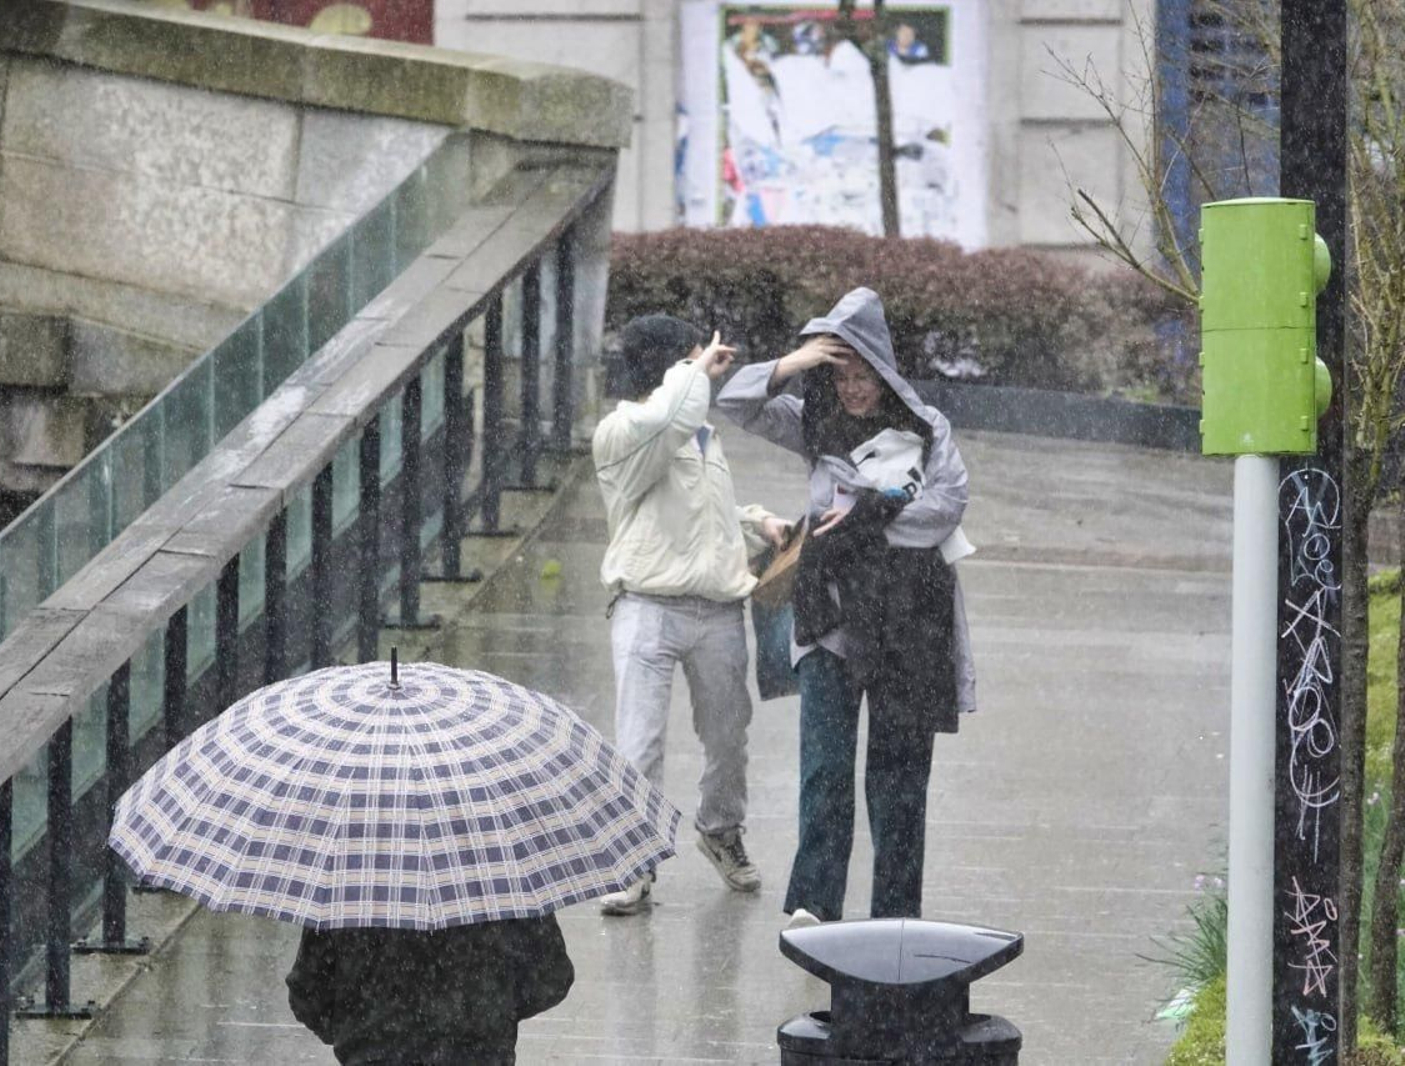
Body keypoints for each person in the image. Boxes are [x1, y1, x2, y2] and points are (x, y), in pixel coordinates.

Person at [716, 287, 976, 928]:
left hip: (912, 619)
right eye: (842, 376)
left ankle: (896, 914)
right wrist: (797, 364)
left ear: (885, 374)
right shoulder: (813, 418)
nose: (854, 390)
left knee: (899, 777)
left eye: (865, 377)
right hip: (830, 617)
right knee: (825, 768)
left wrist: (866, 517)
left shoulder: (927, 427)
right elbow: (734, 401)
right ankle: (814, 901)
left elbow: (946, 508)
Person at [592, 314, 791, 916]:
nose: (706, 367)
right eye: (691, 358)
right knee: (640, 742)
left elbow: (705, 512)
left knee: (728, 736)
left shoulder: (703, 435)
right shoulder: (624, 430)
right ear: (671, 364)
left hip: (717, 609)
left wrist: (757, 521)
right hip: (646, 606)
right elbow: (667, 420)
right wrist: (693, 370)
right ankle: (633, 858)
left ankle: (720, 829)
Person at [285, 914, 573, 1065]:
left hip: (376, 1053)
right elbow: (551, 977)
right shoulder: (499, 873)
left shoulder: (349, 883)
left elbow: (308, 992)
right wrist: (492, 1013)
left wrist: (363, 1031)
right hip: (478, 1053)